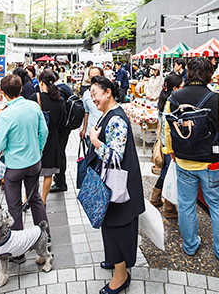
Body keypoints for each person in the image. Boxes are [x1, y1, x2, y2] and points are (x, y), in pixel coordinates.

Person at [165, 58, 219, 261]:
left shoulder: (174, 99)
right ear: (210, 74)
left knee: (186, 204)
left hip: (184, 160)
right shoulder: (217, 99)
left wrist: (170, 151)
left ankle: (190, 246)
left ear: (187, 72)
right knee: (218, 205)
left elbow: (167, 129)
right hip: (211, 162)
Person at [87, 76, 144, 294]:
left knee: (116, 226)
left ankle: (121, 276)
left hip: (118, 187)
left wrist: (94, 140)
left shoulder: (116, 119)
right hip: (112, 184)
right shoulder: (108, 114)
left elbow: (114, 156)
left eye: (95, 94)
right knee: (109, 224)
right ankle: (114, 260)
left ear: (108, 92)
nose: (93, 99)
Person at [0, 74, 50, 263]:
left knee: (15, 205)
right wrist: (39, 149)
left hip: (15, 166)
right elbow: (44, 131)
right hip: (34, 162)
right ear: (20, 89)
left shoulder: (4, 115)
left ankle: (18, 252)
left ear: (3, 93)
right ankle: (45, 238)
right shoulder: (33, 106)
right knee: (35, 199)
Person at [149, 72, 183, 219]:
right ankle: (169, 208)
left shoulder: (164, 100)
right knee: (170, 174)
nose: (184, 88)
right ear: (175, 88)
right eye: (181, 86)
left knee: (166, 172)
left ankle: (155, 198)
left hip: (164, 142)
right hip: (170, 144)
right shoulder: (173, 103)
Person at [29, 70, 66, 205]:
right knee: (48, 173)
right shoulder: (60, 100)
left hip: (36, 140)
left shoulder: (34, 97)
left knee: (32, 173)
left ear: (42, 83)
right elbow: (63, 121)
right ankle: (43, 200)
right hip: (53, 140)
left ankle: (29, 199)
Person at [50, 72, 74, 193]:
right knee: (61, 153)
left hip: (61, 128)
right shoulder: (66, 87)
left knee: (59, 154)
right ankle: (59, 181)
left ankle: (61, 183)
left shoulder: (59, 90)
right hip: (66, 126)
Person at [80, 66, 104, 146]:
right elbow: (86, 113)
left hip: (105, 133)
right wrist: (84, 129)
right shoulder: (86, 94)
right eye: (91, 77)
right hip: (91, 133)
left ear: (102, 76)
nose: (94, 80)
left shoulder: (108, 93)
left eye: (96, 77)